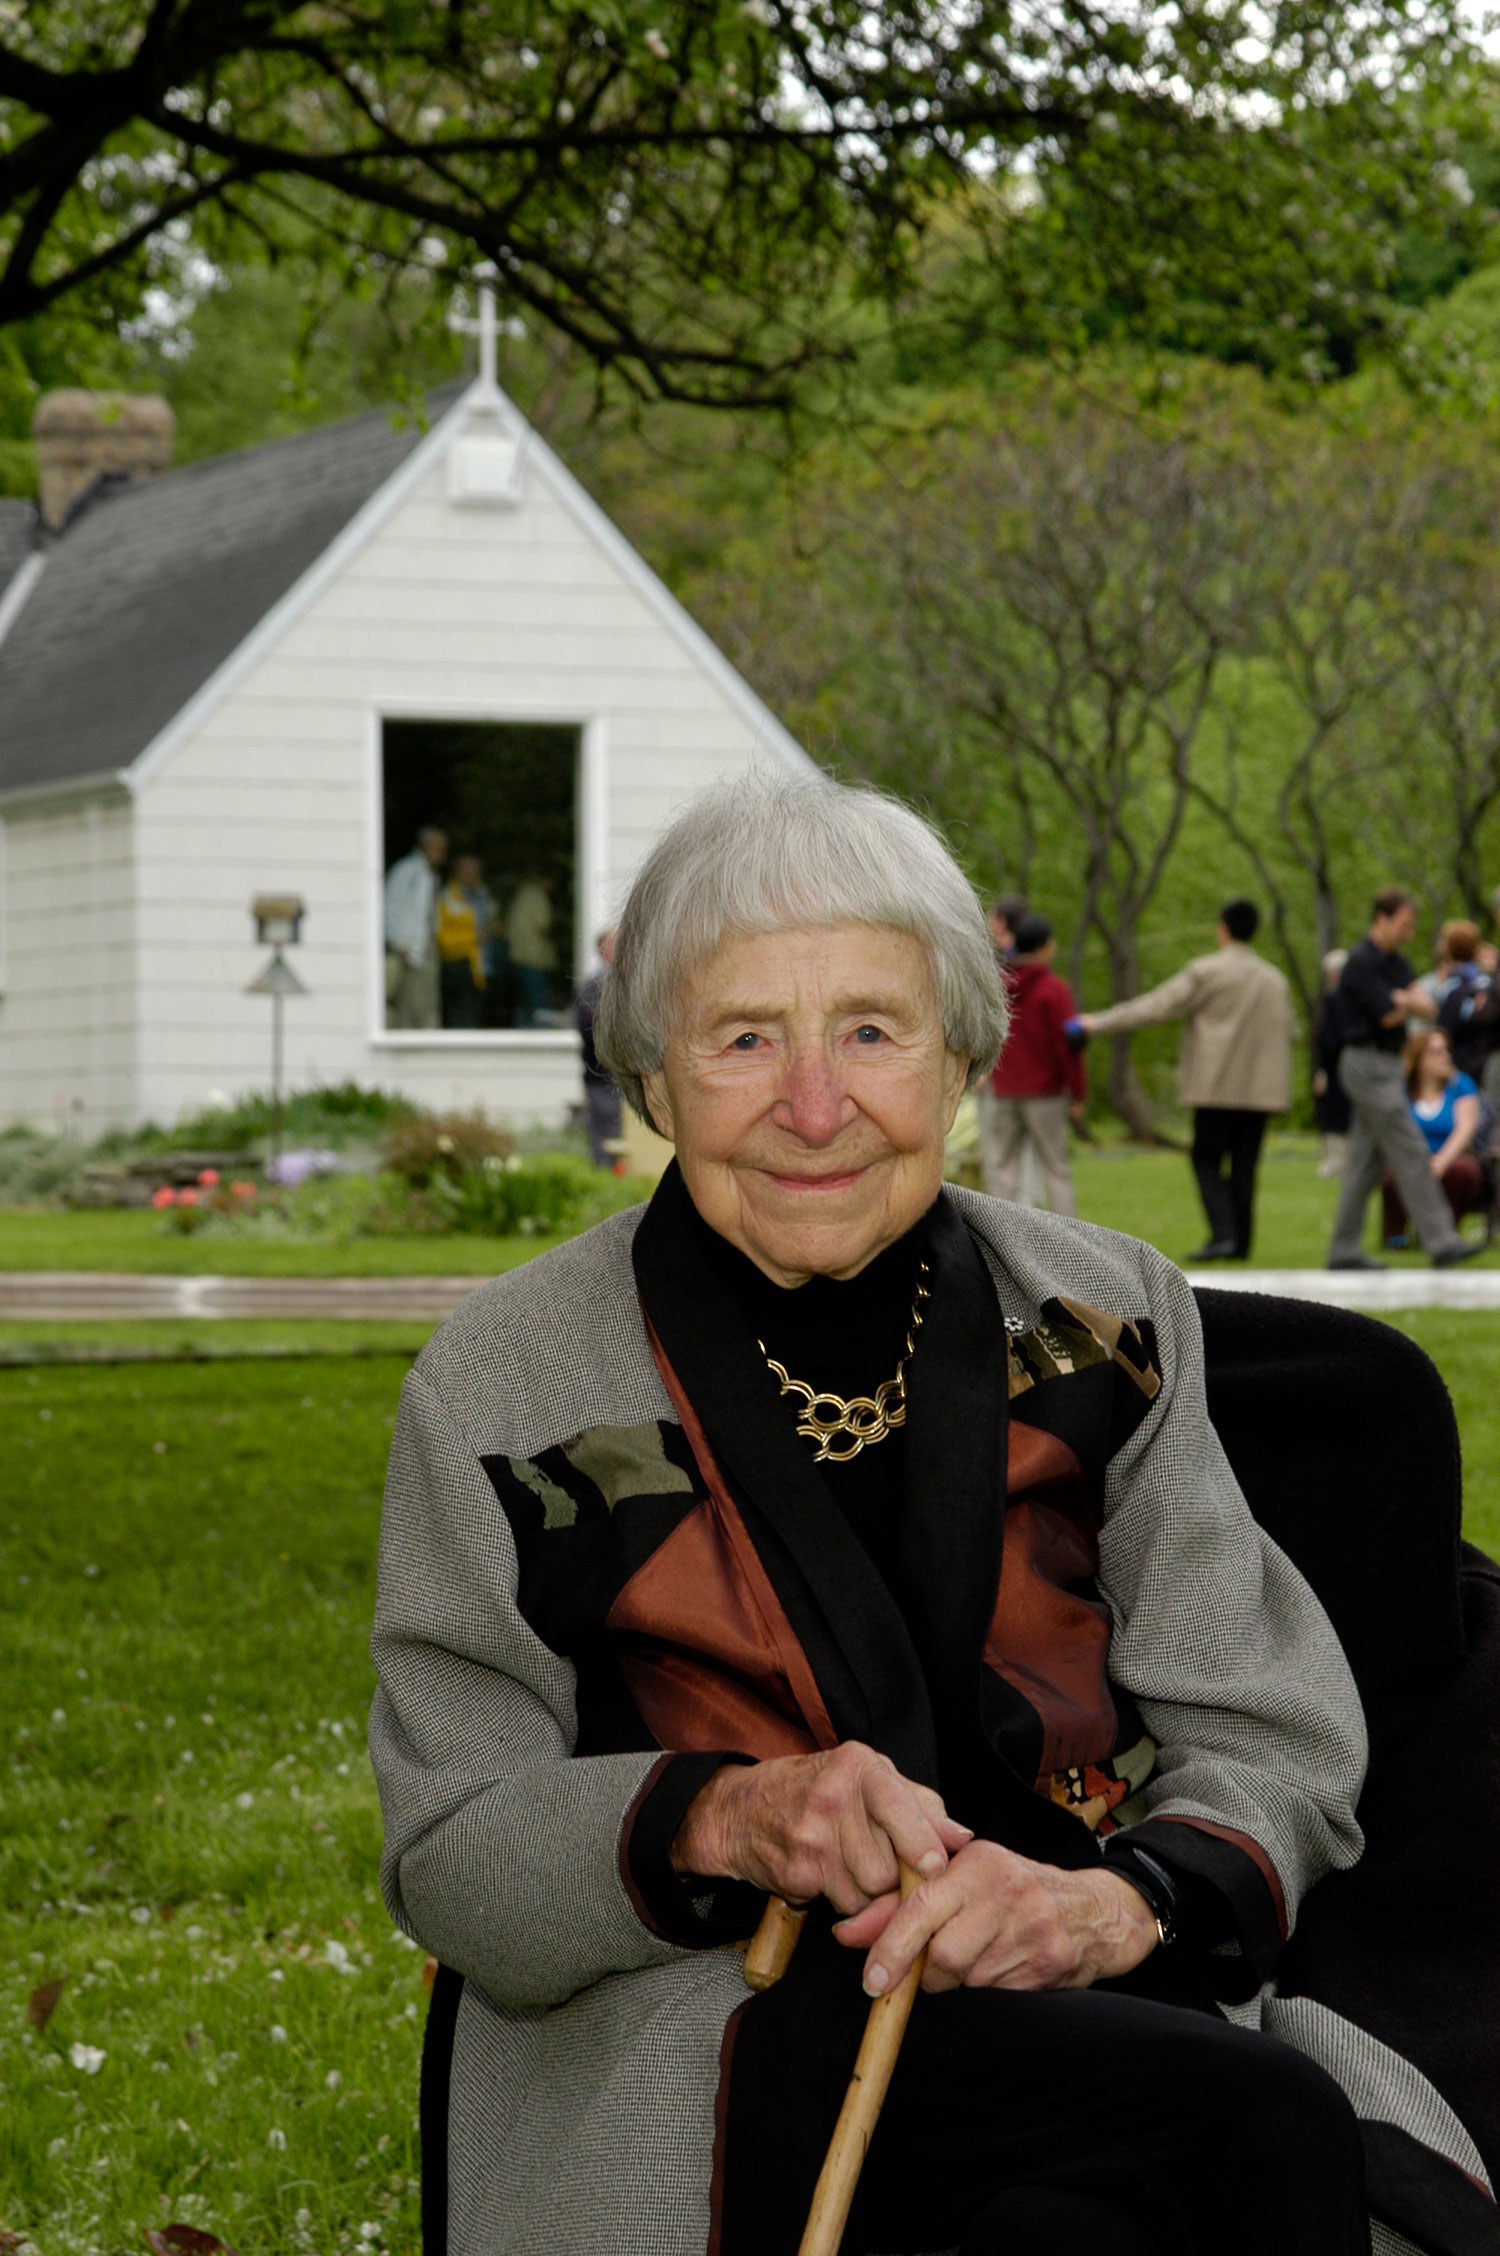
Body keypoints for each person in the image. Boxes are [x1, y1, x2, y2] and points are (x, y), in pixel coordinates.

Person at [370, 775, 1392, 2256]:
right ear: (652, 1080)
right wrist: (728, 1814)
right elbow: (451, 1848)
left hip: (1078, 1976)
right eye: (743, 1040)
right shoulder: (502, 1387)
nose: (813, 1107)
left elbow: (1273, 1730)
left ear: (962, 1056)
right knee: (1256, 2124)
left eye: (870, 1031)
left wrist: (1122, 1906)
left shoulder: (1103, 1321)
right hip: (711, 2035)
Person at [1077, 900, 1294, 1263]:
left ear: (1222, 929)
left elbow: (1156, 1006)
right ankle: (1240, 1243)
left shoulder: (1207, 972)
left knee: (1205, 1159)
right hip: (1259, 1093)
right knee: (1245, 1166)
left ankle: (1223, 1236)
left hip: (1214, 1088)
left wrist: (1095, 1023)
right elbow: (1290, 1031)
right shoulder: (1275, 979)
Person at [1326, 889, 1483, 1272]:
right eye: (1403, 925)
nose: (1408, 933)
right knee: (1410, 1148)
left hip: (1388, 1063)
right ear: (1381, 918)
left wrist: (1404, 1002)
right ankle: (1442, 1242)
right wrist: (1405, 1003)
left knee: (1365, 1162)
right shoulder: (1361, 962)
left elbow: (1427, 1007)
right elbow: (1386, 1015)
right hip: (1365, 1063)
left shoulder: (1396, 962)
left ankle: (1343, 1250)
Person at [980, 913, 1086, 1215]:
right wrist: (1077, 1092)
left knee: (1002, 1167)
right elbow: (1067, 1045)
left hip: (1004, 1089)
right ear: (1044, 946)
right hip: (1045, 1094)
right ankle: (1066, 1232)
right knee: (1055, 1167)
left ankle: (1001, 1231)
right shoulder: (1053, 989)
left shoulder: (1000, 986)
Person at [1381, 1026, 1492, 1247]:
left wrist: (1440, 1161)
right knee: (1393, 1171)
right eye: (1436, 1052)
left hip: (1451, 1157)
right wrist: (1418, 1160)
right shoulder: (1403, 1089)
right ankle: (1396, 1235)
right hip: (1410, 1157)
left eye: (1446, 1050)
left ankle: (1445, 1233)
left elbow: (1465, 1128)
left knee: (1463, 1171)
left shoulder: (1460, 1085)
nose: (1445, 1057)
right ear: (1419, 1058)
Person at [383, 826, 446, 1030]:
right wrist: (398, 941)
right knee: (411, 1001)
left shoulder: (430, 875)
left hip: (426, 944)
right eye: (438, 848)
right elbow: (391, 905)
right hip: (409, 946)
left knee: (426, 999)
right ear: (427, 847)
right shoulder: (407, 870)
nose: (442, 854)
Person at [574, 926, 622, 1168]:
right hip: (602, 1076)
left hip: (624, 1077)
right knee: (606, 1136)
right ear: (604, 949)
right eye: (618, 942)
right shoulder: (594, 986)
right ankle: (606, 1176)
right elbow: (590, 1029)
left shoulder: (629, 982)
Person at [434, 853, 497, 1031]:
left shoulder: (483, 894)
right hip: (457, 963)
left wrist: (494, 928)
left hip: (481, 966)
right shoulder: (447, 896)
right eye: (466, 869)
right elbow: (441, 936)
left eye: (474, 870)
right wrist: (474, 937)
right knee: (459, 1019)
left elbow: (489, 920)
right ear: (457, 871)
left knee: (476, 1018)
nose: (470, 873)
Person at [1313, 948, 1351, 1178]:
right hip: (1341, 1065)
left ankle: (1338, 1160)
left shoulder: (1336, 999)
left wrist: (1323, 1070)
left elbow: (1329, 1039)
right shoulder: (1342, 998)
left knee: (1337, 1112)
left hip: (1338, 1066)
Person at [507, 872, 557, 1027]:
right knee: (540, 1005)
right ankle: (543, 1035)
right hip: (536, 958)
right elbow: (543, 926)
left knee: (525, 1003)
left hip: (518, 955)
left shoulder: (521, 895)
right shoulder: (539, 897)